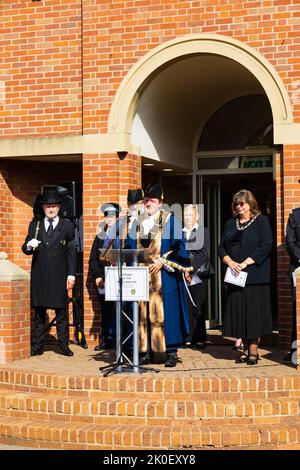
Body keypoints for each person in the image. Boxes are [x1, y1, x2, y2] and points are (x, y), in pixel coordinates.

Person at [125, 183, 191, 367]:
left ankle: (170, 351)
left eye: (152, 201)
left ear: (161, 203)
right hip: (141, 276)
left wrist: (162, 262)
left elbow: (180, 248)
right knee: (142, 313)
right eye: (146, 200)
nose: (148, 204)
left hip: (164, 276)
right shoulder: (136, 221)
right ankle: (145, 351)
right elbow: (130, 246)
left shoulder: (171, 220)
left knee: (167, 312)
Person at [218, 189, 273, 365]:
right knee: (240, 313)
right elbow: (221, 248)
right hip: (235, 275)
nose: (239, 207)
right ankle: (243, 350)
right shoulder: (230, 224)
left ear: (250, 204)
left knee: (253, 314)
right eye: (236, 204)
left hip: (255, 275)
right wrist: (230, 262)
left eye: (242, 203)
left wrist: (245, 263)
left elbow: (266, 245)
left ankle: (253, 351)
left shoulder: (261, 221)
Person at [22, 189, 77, 357]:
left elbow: (71, 251)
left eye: (54, 206)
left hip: (59, 274)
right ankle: (38, 345)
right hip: (40, 273)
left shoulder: (67, 226)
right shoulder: (35, 225)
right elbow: (25, 249)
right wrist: (29, 245)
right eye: (48, 206)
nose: (51, 209)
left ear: (59, 207)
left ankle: (63, 344)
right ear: (43, 207)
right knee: (38, 313)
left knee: (61, 312)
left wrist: (71, 274)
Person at [89, 202, 121, 351]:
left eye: (113, 216)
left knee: (119, 310)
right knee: (106, 310)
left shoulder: (123, 236)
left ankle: (119, 340)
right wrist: (97, 276)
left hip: (120, 278)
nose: (109, 219)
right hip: (104, 278)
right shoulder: (100, 236)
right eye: (107, 216)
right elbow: (93, 259)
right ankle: (106, 340)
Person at [183, 204, 210, 349]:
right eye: (185, 215)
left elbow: (203, 253)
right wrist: (183, 269)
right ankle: (188, 335)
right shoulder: (179, 233)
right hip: (182, 273)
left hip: (198, 273)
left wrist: (191, 270)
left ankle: (199, 337)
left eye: (190, 215)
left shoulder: (203, 231)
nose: (187, 217)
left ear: (197, 217)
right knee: (186, 305)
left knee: (198, 306)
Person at [285, 207, 300, 361]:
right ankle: (295, 351)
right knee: (298, 310)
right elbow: (290, 241)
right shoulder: (295, 215)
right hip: (298, 267)